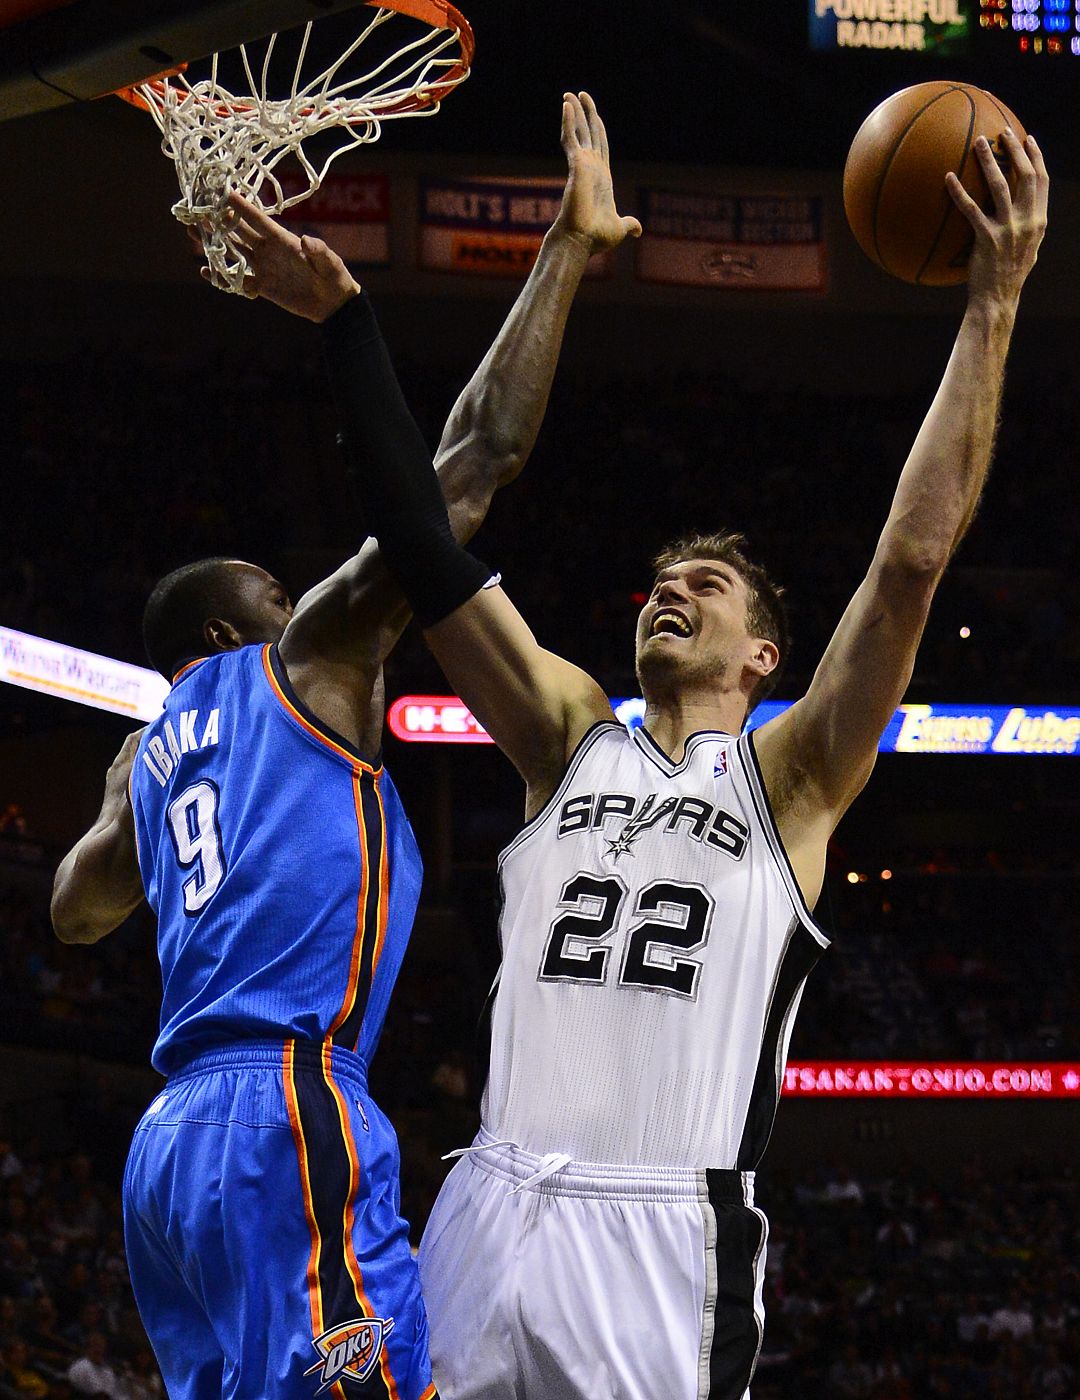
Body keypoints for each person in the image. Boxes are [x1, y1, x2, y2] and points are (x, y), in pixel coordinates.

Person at [330, 112, 1048, 1400]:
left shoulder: (793, 782)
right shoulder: (562, 738)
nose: (673, 588)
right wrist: (554, 255)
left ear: (764, 655)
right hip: (485, 1203)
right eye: (660, 580)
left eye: (706, 584)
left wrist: (990, 307)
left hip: (663, 1236)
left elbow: (910, 563)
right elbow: (423, 535)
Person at [50, 92, 640, 1400]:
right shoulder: (301, 658)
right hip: (285, 1106)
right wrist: (568, 251)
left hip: (166, 1154)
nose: (296, 590)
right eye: (273, 584)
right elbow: (472, 461)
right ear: (229, 623)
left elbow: (77, 913)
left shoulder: (139, 765)